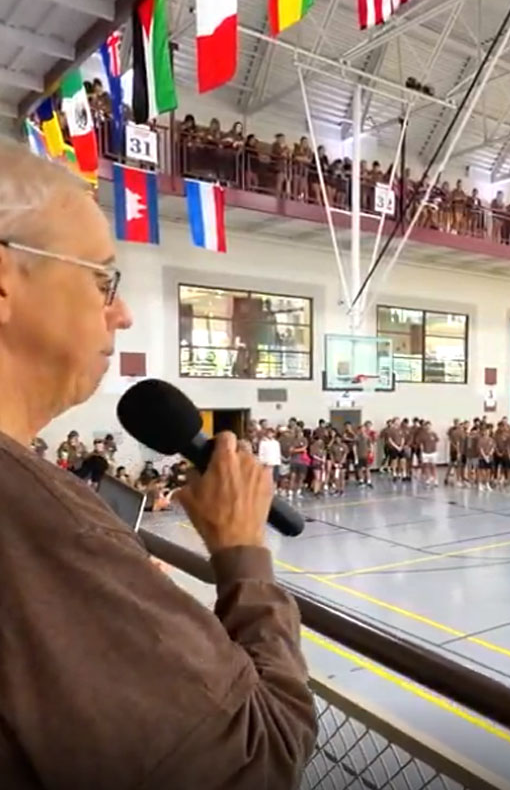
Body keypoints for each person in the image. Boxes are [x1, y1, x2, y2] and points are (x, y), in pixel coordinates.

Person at [0, 139, 315, 783]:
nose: (120, 313)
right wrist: (242, 556)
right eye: (100, 279)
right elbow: (262, 754)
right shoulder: (40, 521)